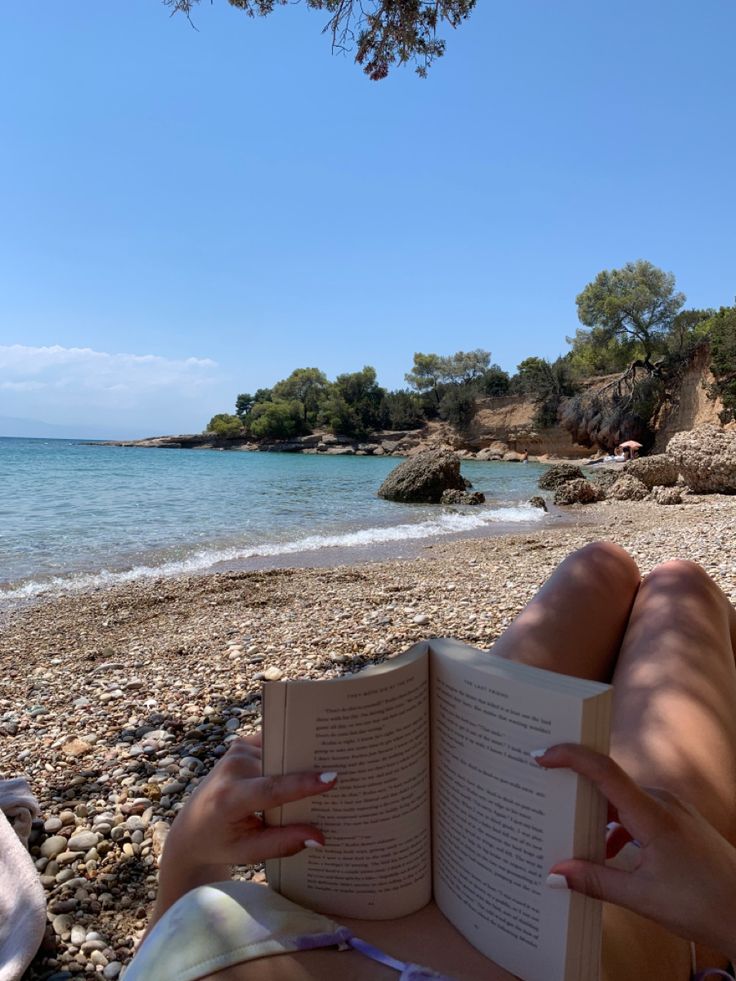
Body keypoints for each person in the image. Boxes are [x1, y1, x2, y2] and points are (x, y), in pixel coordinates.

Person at [127, 542, 736, 981]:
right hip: (622, 914)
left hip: (416, 870)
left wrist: (190, 850)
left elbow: (161, 952)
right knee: (680, 586)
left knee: (597, 566)